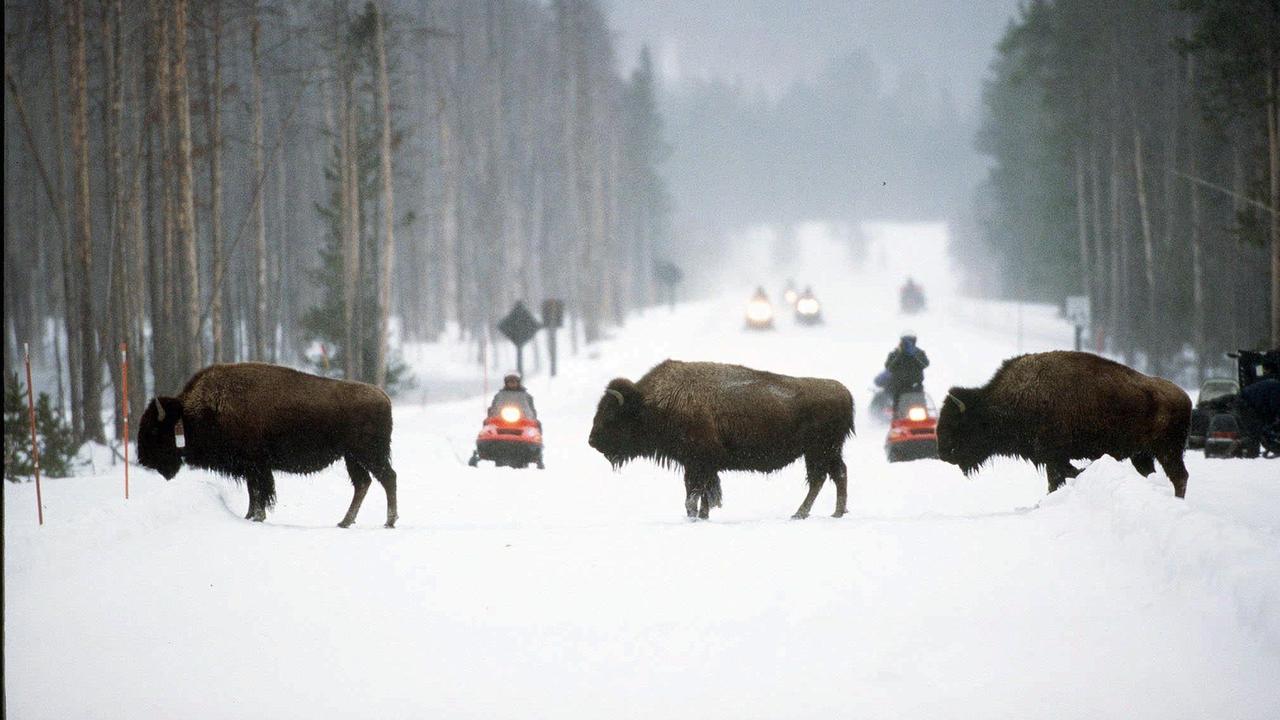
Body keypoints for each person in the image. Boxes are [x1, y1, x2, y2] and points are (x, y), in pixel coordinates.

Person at [884, 333, 930, 407]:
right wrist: (899, 355)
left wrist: (914, 354)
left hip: (916, 387)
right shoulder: (895, 353)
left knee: (921, 408)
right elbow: (889, 367)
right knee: (897, 410)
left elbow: (925, 364)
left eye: (910, 342)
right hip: (899, 387)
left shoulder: (919, 353)